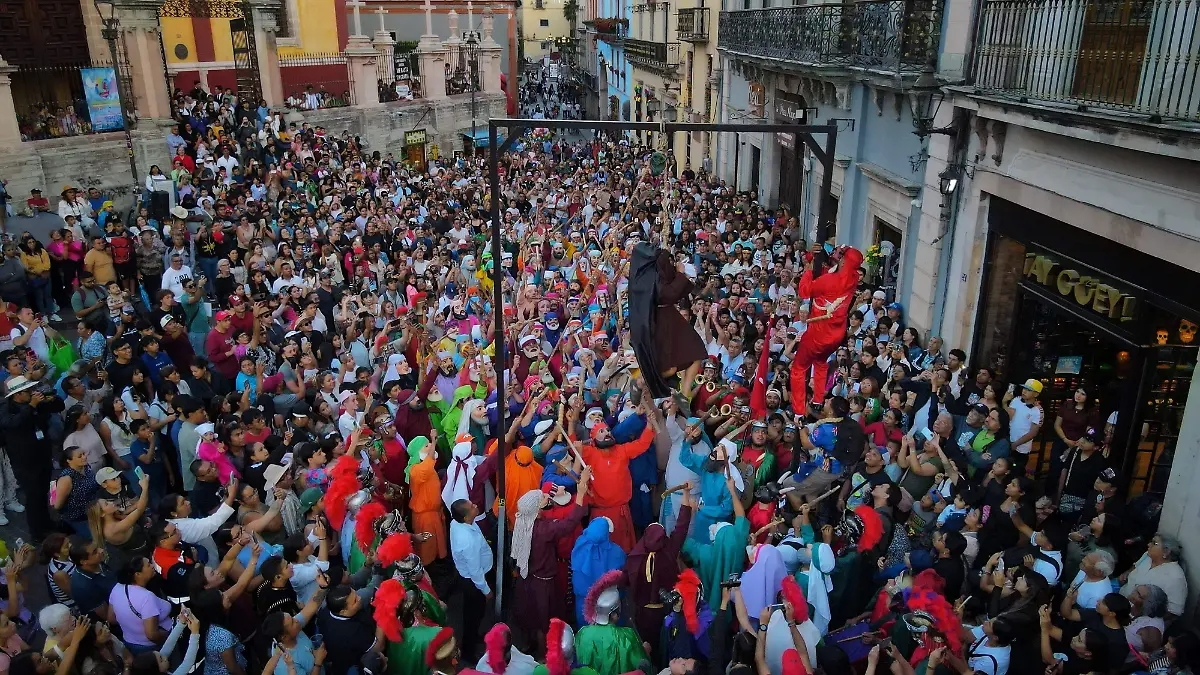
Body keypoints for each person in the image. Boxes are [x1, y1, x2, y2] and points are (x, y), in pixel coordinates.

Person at [0, 374, 65, 539]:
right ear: (18, 394)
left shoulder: (37, 404)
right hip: (25, 462)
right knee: (33, 497)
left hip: (42, 455)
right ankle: (37, 532)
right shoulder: (7, 409)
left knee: (43, 492)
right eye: (28, 390)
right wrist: (31, 406)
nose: (32, 392)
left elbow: (59, 406)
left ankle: (47, 523)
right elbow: (13, 424)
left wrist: (51, 398)